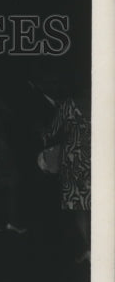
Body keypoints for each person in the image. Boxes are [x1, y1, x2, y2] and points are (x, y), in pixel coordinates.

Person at [42, 85, 91, 263]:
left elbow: (51, 132)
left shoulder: (68, 105)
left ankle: (88, 247)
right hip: (96, 155)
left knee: (80, 208)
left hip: (74, 159)